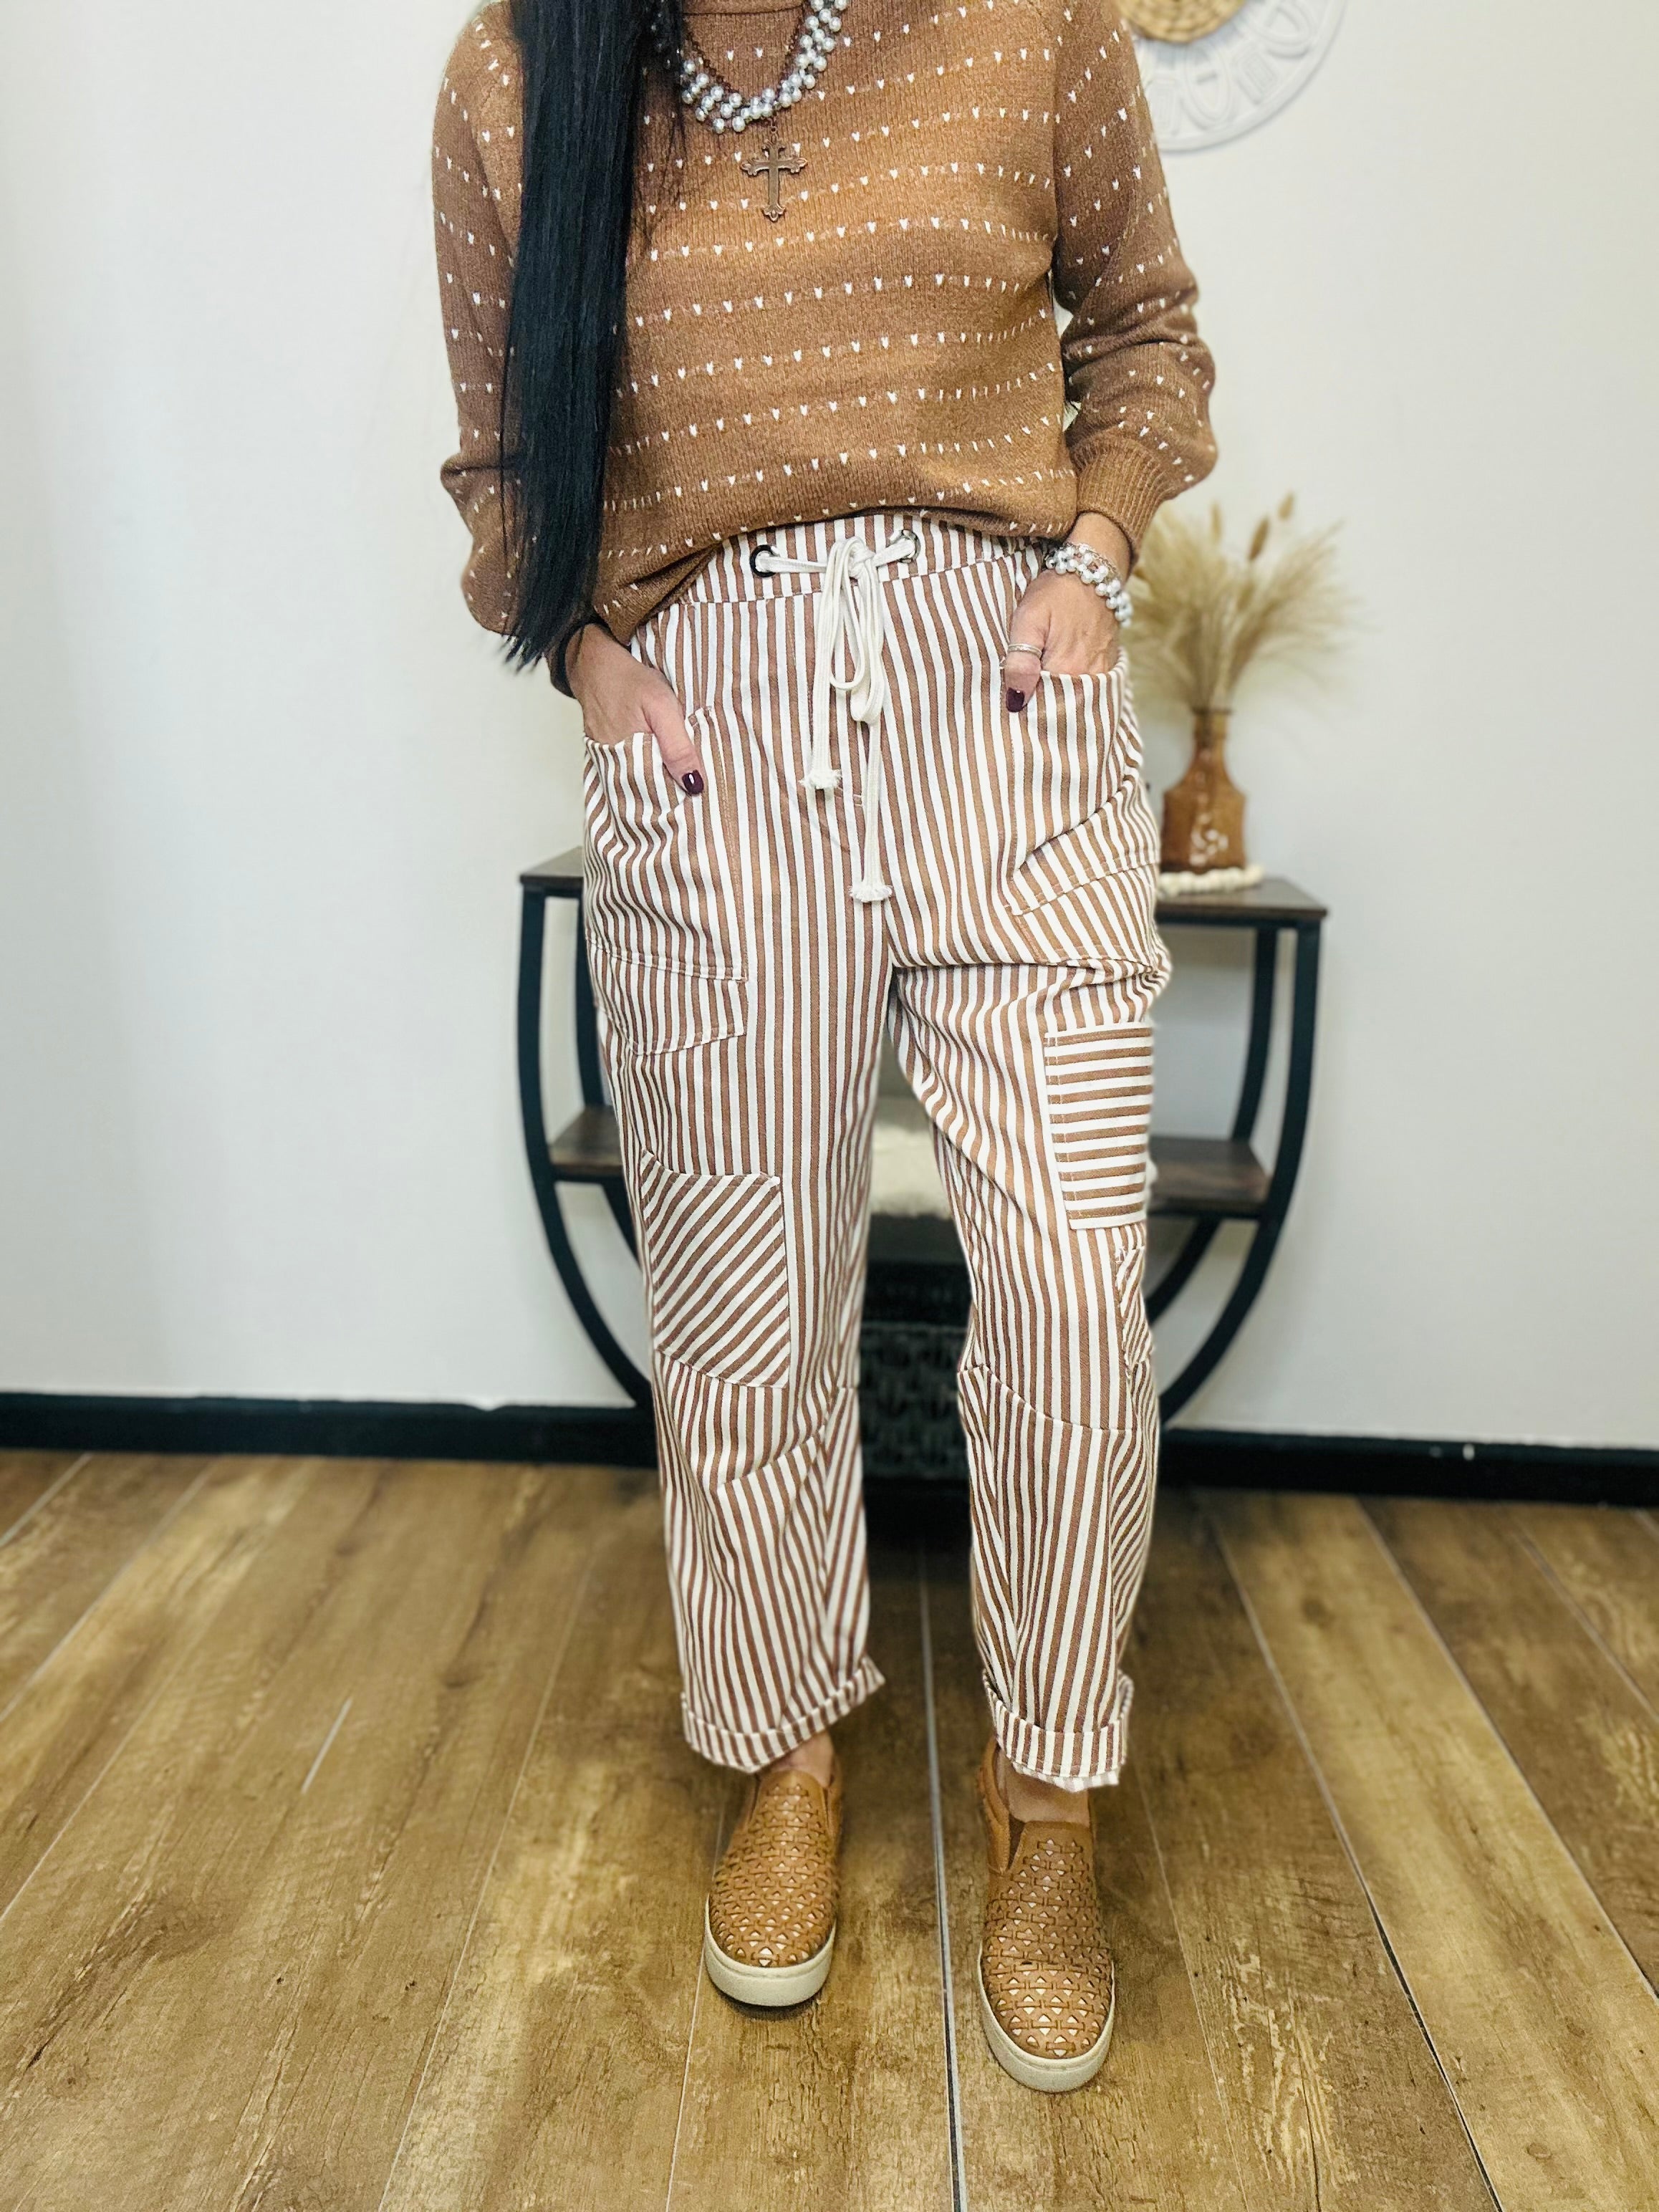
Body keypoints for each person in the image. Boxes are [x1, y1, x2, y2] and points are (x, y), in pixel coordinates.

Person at [433, 0, 1217, 2092]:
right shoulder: (518, 74)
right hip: (712, 721)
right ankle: (782, 1750)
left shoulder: (1027, 20)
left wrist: (1094, 558)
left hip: (1001, 697)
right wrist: (594, 659)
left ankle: (1048, 1803)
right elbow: (505, 458)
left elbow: (1146, 329)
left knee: (1071, 1286)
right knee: (743, 1298)